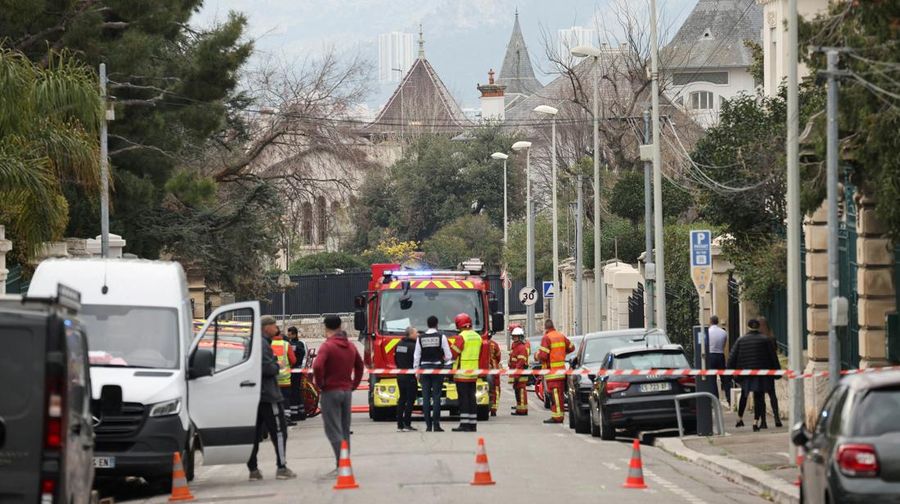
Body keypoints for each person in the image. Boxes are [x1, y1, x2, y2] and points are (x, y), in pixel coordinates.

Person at [313, 316, 364, 476]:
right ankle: (345, 462)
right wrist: (354, 384)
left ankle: (340, 465)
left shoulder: (327, 347)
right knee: (344, 429)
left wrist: (320, 384)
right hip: (346, 391)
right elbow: (360, 366)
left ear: (325, 327)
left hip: (331, 390)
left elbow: (318, 365)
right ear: (340, 325)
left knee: (333, 429)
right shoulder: (350, 346)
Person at [247, 316, 296, 481]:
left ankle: (253, 469)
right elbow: (267, 368)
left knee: (254, 434)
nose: (276, 327)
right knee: (279, 431)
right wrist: (277, 365)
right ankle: (281, 467)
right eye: (273, 325)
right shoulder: (262, 344)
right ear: (266, 327)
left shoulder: (256, 342)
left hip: (255, 395)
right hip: (268, 395)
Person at [728, 319, 780, 431]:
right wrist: (777, 372)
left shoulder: (741, 340)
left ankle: (739, 418)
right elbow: (773, 357)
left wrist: (731, 372)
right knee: (759, 397)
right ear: (758, 326)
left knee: (744, 395)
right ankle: (755, 422)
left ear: (748, 326)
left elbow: (732, 358)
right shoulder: (766, 340)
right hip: (761, 374)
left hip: (745, 374)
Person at [450, 313, 488, 432]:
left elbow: (453, 354)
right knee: (472, 398)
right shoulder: (478, 337)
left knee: (463, 400)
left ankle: (464, 424)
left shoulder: (461, 337)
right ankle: (472, 424)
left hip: (462, 373)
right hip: (473, 373)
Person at [414, 315, 452, 432]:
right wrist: (443, 360)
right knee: (436, 397)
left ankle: (428, 426)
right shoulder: (442, 337)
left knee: (426, 398)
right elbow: (449, 356)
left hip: (424, 369)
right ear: (437, 324)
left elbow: (417, 356)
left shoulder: (420, 338)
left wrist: (417, 371)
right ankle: (436, 425)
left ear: (427, 324)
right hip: (437, 369)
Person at [535, 319, 574, 424]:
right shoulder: (561, 336)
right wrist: (561, 353)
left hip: (552, 372)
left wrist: (536, 355)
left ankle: (557, 417)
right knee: (559, 394)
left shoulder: (547, 338)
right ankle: (558, 415)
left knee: (555, 395)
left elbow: (543, 356)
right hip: (561, 370)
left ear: (545, 328)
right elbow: (572, 347)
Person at [757, 317, 783, 427]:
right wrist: (777, 370)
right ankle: (776, 418)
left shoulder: (756, 339)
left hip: (758, 371)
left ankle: (763, 421)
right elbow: (774, 355)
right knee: (772, 394)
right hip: (769, 370)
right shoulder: (771, 339)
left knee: (760, 397)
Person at [271, 328, 297, 426]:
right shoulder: (286, 344)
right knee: (285, 399)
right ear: (280, 335)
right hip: (285, 377)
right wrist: (288, 365)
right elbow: (293, 360)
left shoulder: (267, 344)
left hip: (272, 377)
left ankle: (276, 419)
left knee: (273, 400)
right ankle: (287, 419)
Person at [394, 326, 418, 432]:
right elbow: (416, 361)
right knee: (410, 400)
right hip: (410, 376)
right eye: (416, 333)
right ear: (411, 334)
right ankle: (407, 423)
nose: (417, 335)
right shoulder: (414, 346)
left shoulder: (399, 345)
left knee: (402, 399)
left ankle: (400, 425)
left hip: (400, 375)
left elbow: (396, 359)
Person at [707, 315, 732, 406]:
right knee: (724, 379)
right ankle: (729, 398)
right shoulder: (723, 332)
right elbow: (724, 344)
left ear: (710, 321)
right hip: (720, 355)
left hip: (710, 355)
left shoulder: (707, 332)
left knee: (712, 379)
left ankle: (715, 401)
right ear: (717, 322)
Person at [286, 326, 307, 421]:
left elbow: (298, 356)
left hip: (294, 370)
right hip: (297, 370)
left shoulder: (294, 344)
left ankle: (295, 414)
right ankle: (300, 412)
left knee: (294, 392)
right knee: (297, 391)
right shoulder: (299, 344)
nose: (288, 336)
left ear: (294, 334)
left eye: (289, 334)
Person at [508, 325, 529, 415]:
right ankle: (519, 408)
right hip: (516, 373)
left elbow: (520, 363)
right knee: (517, 390)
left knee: (521, 390)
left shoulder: (521, 348)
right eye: (513, 336)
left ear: (520, 337)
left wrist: (516, 375)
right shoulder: (515, 347)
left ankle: (522, 410)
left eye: (516, 336)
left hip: (520, 374)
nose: (514, 338)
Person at [484, 329, 502, 416]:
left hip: (483, 370)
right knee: (495, 389)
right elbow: (498, 357)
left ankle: (486, 406)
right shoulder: (494, 344)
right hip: (494, 370)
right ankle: (494, 409)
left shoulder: (481, 343)